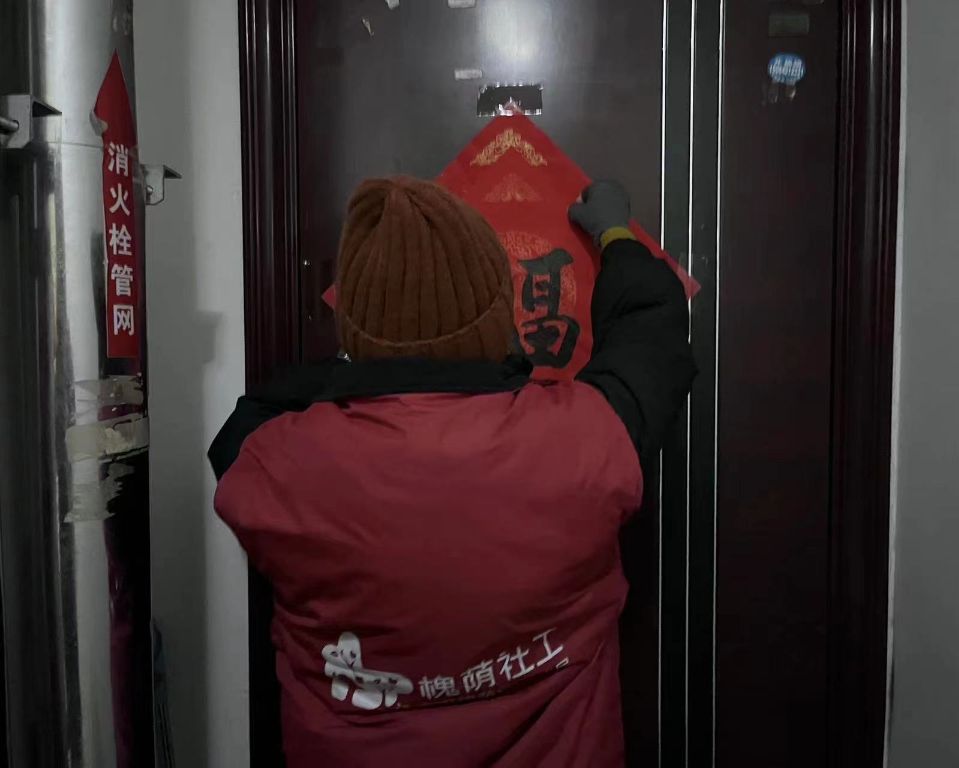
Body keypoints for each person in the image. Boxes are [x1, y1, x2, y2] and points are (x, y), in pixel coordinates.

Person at [209, 176, 696, 767]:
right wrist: (615, 233)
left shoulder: (275, 463)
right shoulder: (587, 438)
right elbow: (652, 332)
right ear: (498, 318)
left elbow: (258, 410)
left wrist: (372, 361)